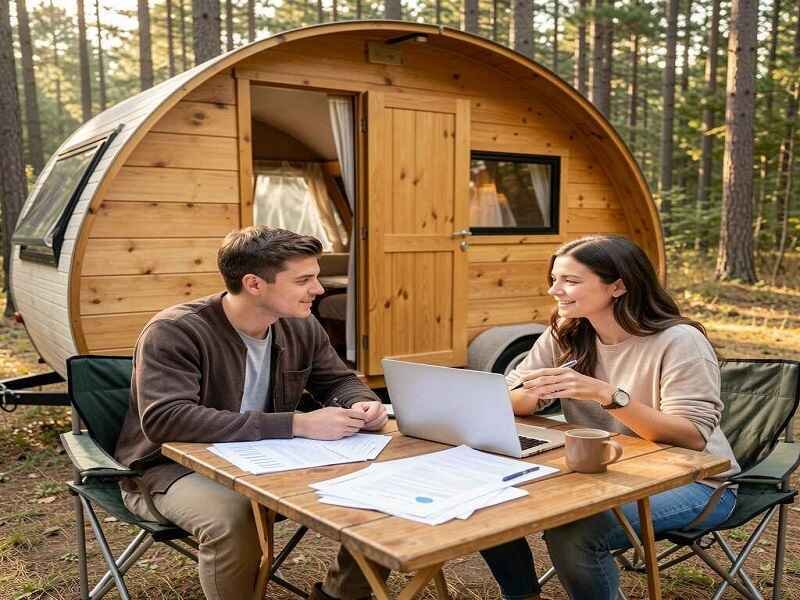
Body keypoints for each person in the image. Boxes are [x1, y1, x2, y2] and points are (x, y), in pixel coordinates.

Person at [115, 226, 389, 600]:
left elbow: (338, 380)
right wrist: (296, 424)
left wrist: (359, 402)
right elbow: (166, 419)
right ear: (255, 284)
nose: (319, 289)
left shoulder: (301, 325)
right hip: (172, 469)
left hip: (273, 460)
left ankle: (341, 595)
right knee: (234, 516)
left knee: (383, 489)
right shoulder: (175, 331)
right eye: (304, 279)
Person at [485, 235, 741, 600]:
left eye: (571, 281)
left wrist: (605, 393)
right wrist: (533, 391)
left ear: (618, 285)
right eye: (554, 279)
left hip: (697, 483)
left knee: (575, 532)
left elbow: (691, 437)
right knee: (490, 499)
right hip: (602, 470)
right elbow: (511, 398)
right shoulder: (567, 330)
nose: (555, 291)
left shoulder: (679, 341)